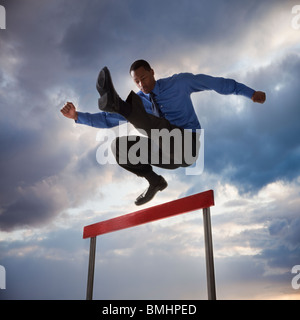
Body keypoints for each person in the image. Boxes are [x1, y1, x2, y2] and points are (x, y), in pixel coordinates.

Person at [61, 59, 266, 205]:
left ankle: (118, 104)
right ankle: (155, 182)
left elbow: (216, 83)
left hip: (188, 147)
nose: (142, 85)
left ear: (152, 72)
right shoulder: (140, 102)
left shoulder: (179, 83)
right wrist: (77, 116)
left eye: (144, 78)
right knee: (119, 147)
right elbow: (107, 121)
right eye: (137, 82)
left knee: (153, 126)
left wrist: (250, 93)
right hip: (166, 152)